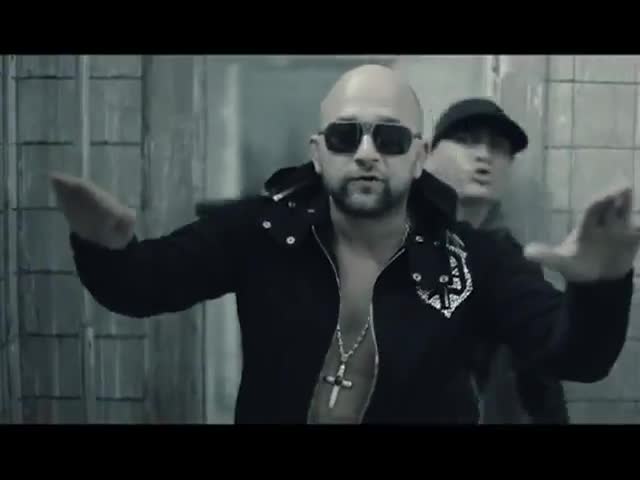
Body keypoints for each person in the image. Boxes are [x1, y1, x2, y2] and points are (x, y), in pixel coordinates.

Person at [51, 64, 637, 424]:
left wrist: (602, 287)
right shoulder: (259, 232)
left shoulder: (474, 258)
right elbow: (142, 287)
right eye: (344, 135)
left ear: (418, 155)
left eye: (389, 139)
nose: (365, 153)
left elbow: (575, 357)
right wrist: (103, 246)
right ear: (317, 151)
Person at [425, 97, 570, 424]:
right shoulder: (398, 241)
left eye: (499, 147)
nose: (484, 155)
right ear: (427, 155)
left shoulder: (512, 261)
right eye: (466, 140)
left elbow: (541, 379)